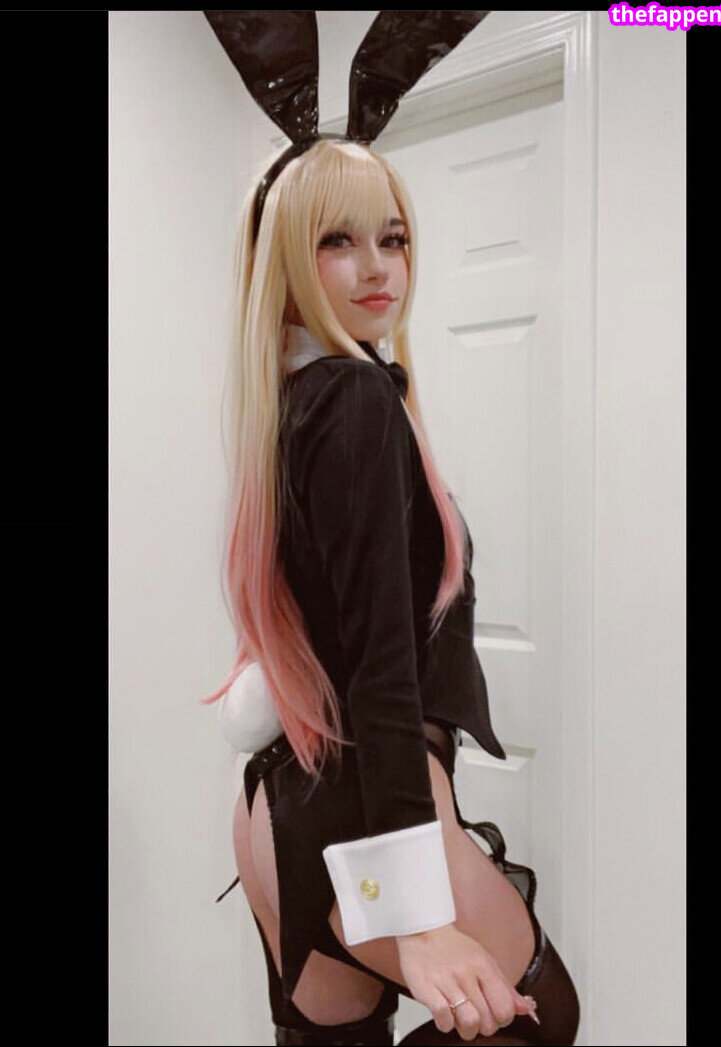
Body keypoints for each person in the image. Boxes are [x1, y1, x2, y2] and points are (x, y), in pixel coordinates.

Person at [203, 136, 581, 1047]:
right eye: (337, 240)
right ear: (288, 259)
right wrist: (416, 912)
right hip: (367, 810)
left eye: (394, 238)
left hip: (276, 811)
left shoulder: (292, 404)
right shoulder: (355, 398)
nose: (377, 268)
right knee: (542, 1019)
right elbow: (380, 660)